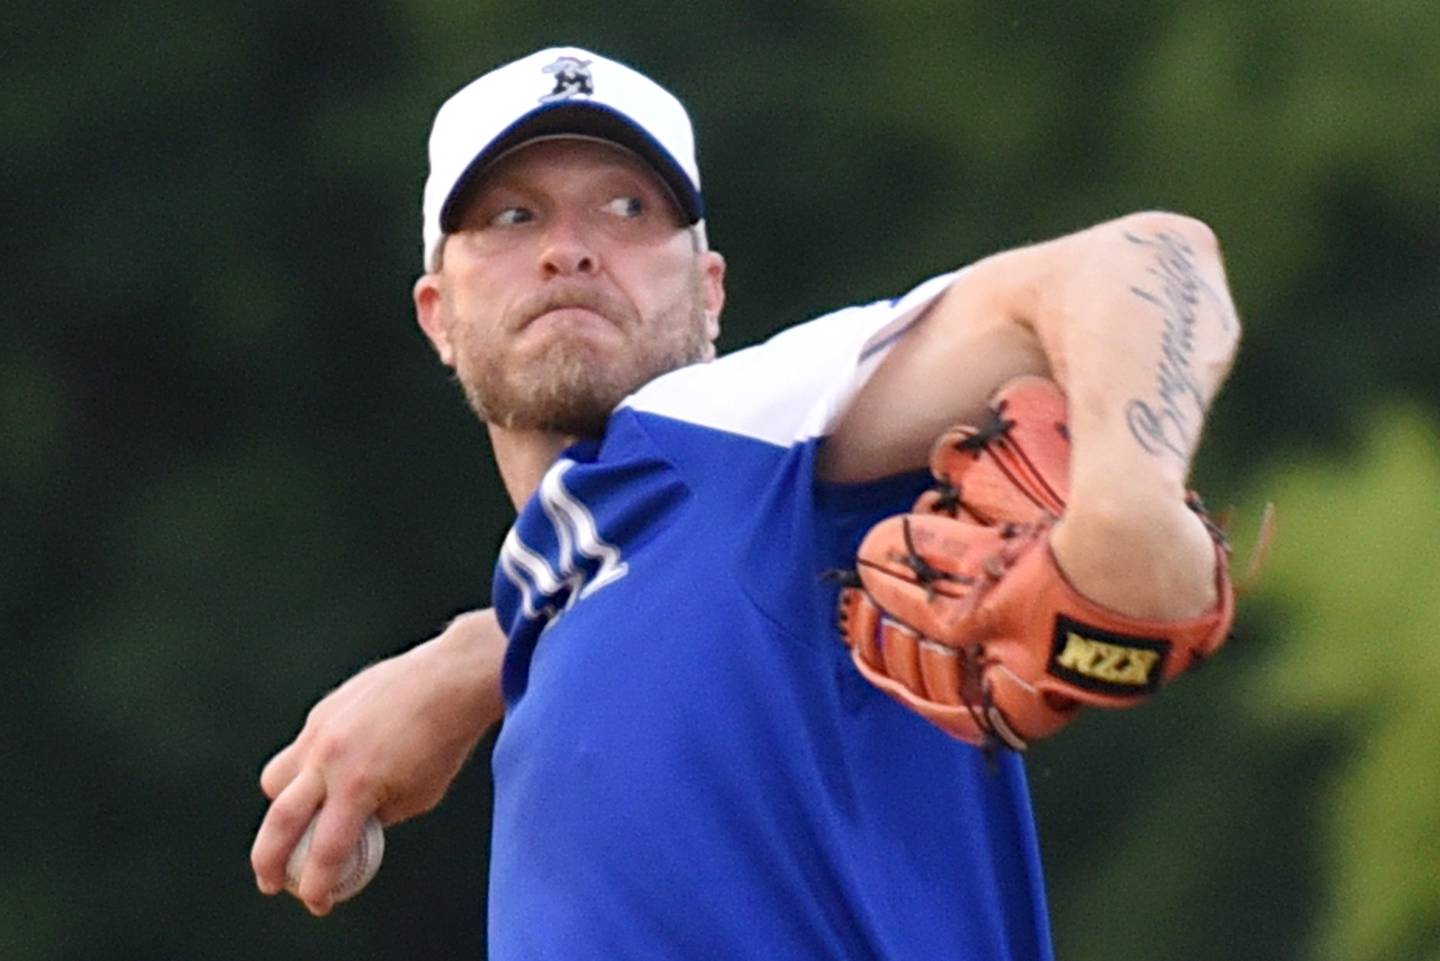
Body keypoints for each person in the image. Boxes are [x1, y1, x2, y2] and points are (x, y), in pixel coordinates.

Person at [251, 46, 1240, 960]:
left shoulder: (734, 431)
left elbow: (1148, 260)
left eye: (630, 210)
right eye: (513, 217)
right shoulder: (564, 587)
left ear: (711, 292)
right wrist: (487, 652)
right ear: (438, 313)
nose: (571, 250)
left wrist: (1127, 499)